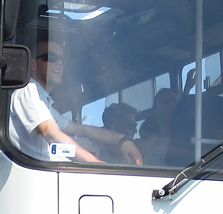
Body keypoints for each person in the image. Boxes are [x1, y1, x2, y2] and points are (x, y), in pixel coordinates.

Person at [8, 42, 143, 165]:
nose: (59, 63)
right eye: (51, 58)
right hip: (44, 175)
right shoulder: (29, 90)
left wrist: (122, 140)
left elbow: (82, 129)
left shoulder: (44, 101)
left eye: (62, 60)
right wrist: (96, 164)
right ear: (33, 64)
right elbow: (51, 133)